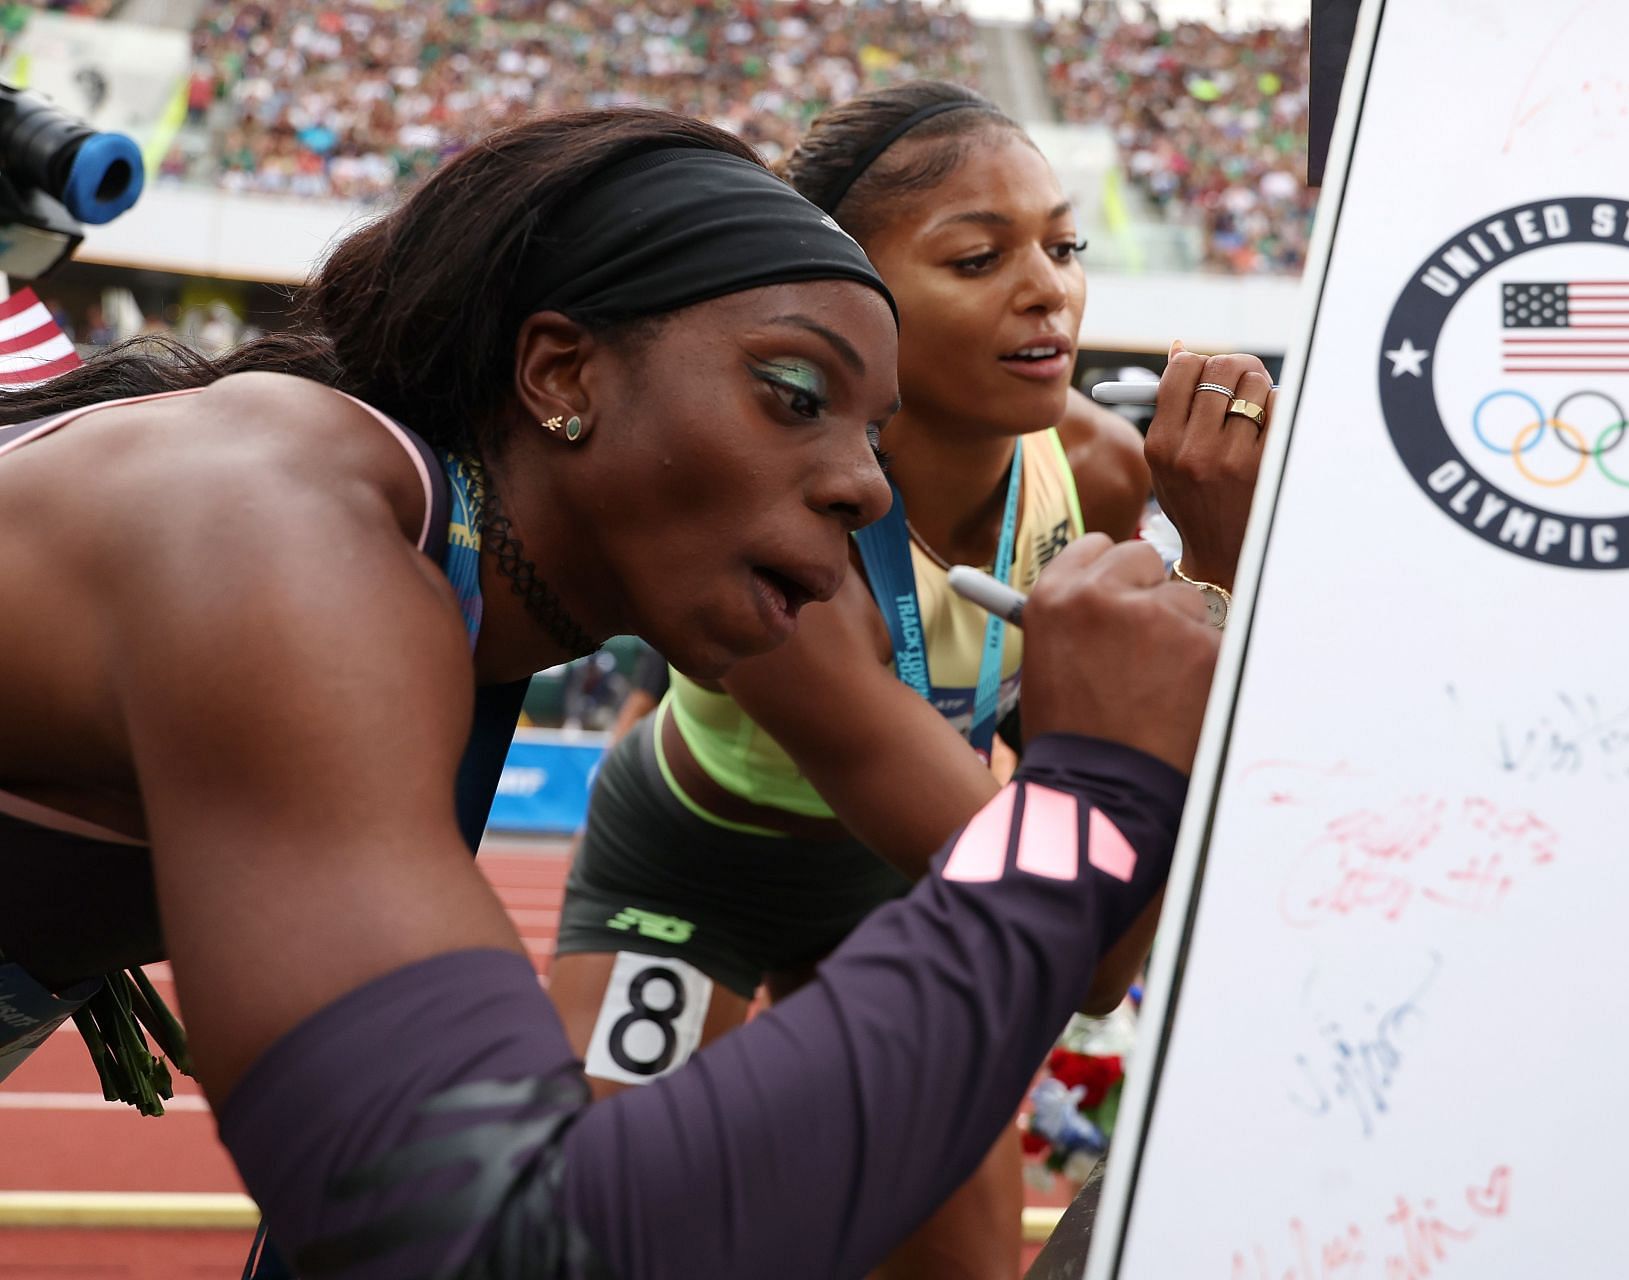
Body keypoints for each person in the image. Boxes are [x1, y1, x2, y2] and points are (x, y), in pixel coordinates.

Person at [0, 105, 1222, 1278]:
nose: (862, 486)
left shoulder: (421, 552)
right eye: (795, 395)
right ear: (559, 370)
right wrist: (1093, 796)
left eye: (872, 432)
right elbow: (494, 1245)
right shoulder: (279, 536)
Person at [547, 82, 1273, 1278]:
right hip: (694, 856)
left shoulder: (1090, 468)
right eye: (981, 256)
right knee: (602, 1248)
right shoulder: (780, 512)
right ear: (849, 290)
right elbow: (1080, 916)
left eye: (1064, 244)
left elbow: (1093, 936)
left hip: (902, 878)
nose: (1050, 288)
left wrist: (1226, 573)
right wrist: (1215, 575)